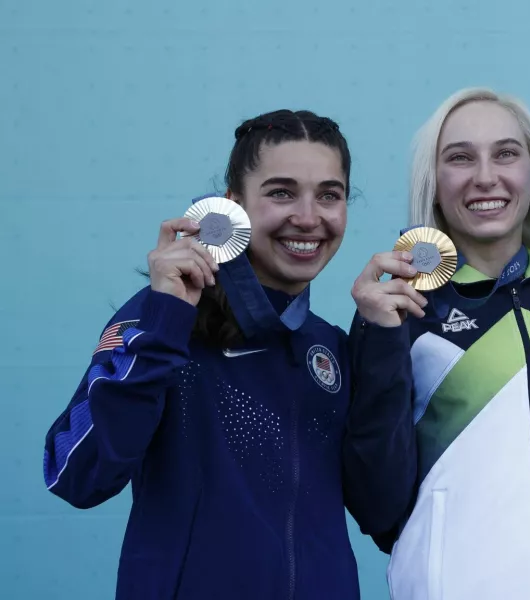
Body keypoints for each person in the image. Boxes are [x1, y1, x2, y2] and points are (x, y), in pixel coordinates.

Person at [42, 109, 417, 600]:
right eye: (281, 192)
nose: (308, 217)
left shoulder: (326, 346)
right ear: (232, 205)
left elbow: (382, 510)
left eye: (329, 194)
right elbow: (77, 475)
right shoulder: (165, 320)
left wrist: (382, 341)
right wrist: (162, 326)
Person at [348, 87, 530, 600]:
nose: (486, 176)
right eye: (460, 158)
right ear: (434, 185)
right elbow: (375, 503)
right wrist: (379, 335)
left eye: (506, 153)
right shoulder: (401, 311)